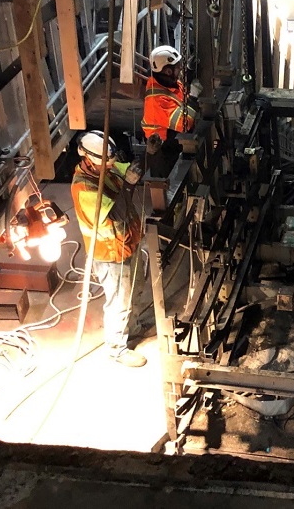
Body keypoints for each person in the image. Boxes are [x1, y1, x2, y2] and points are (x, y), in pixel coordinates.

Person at [71, 131, 146, 367]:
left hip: (126, 243)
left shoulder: (106, 166)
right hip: (110, 254)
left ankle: (131, 326)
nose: (114, 164)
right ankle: (116, 348)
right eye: (109, 160)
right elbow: (118, 212)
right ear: (91, 158)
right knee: (119, 302)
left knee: (136, 288)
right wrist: (130, 185)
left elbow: (127, 169)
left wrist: (148, 154)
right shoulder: (83, 189)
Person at [141, 45, 200, 177]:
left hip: (171, 142)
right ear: (168, 71)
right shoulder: (156, 101)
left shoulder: (167, 83)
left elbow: (181, 94)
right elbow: (184, 124)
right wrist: (194, 98)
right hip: (164, 152)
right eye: (177, 66)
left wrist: (190, 73)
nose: (180, 69)